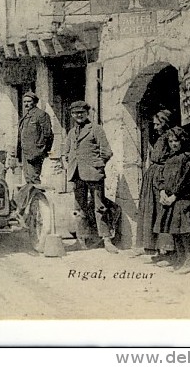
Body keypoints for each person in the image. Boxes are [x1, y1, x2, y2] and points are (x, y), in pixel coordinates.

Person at [64, 101, 118, 253]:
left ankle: (106, 240)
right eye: (75, 113)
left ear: (87, 113)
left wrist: (97, 165)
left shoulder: (96, 129)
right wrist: (67, 163)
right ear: (72, 115)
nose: (78, 115)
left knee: (99, 206)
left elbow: (107, 151)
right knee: (79, 208)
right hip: (76, 174)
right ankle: (80, 240)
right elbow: (65, 151)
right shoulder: (71, 132)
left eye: (81, 112)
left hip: (94, 174)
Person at [133, 109, 175, 259]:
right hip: (152, 178)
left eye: (158, 124)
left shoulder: (170, 137)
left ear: (164, 123)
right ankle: (154, 248)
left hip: (161, 178)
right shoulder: (159, 137)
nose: (155, 127)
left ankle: (166, 252)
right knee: (150, 213)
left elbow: (169, 161)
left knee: (160, 214)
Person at [155, 126, 190, 274]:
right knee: (173, 230)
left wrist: (174, 196)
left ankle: (189, 260)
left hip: (181, 199)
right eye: (170, 141)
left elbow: (185, 180)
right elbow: (162, 178)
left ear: (182, 141)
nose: (173, 144)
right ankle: (180, 258)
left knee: (183, 230)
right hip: (169, 198)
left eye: (176, 141)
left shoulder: (186, 158)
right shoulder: (170, 159)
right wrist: (162, 192)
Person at [16, 91, 55, 185]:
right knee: (28, 178)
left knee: (34, 178)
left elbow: (48, 135)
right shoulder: (25, 116)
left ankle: (37, 199)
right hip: (25, 152)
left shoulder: (41, 115)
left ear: (35, 102)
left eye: (29, 101)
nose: (26, 104)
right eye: (25, 102)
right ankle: (31, 198)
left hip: (35, 153)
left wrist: (41, 151)